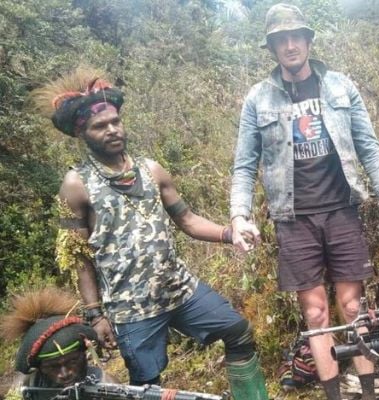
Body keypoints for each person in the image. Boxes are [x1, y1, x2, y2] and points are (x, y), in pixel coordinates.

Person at [31, 67, 268, 399]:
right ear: (82, 133)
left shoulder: (151, 169)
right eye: (100, 126)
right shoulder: (76, 185)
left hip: (179, 289)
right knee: (146, 386)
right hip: (130, 308)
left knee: (237, 330)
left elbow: (187, 221)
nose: (112, 130)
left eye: (115, 121)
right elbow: (79, 258)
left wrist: (230, 234)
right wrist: (96, 314)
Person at [228, 4, 379, 399]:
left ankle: (366, 388)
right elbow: (243, 165)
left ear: (309, 40)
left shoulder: (340, 86)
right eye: (281, 40)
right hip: (293, 218)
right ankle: (332, 394)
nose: (290, 45)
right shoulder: (257, 99)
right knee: (315, 313)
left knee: (352, 308)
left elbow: (368, 147)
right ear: (272, 47)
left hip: (341, 210)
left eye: (296, 37)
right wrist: (240, 215)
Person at [0, 287, 118, 399]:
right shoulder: (25, 387)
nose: (65, 373)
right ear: (39, 367)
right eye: (52, 366)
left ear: (84, 354)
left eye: (72, 361)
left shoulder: (106, 385)